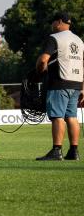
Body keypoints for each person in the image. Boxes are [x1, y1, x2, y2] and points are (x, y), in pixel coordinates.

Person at [35, 12, 84, 161]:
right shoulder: (79, 41)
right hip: (76, 83)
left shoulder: (54, 38)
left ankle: (57, 151)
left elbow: (44, 59)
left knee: (57, 117)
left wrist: (39, 70)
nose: (52, 25)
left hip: (59, 83)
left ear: (59, 22)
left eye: (53, 22)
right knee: (72, 117)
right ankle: (74, 151)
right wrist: (83, 87)